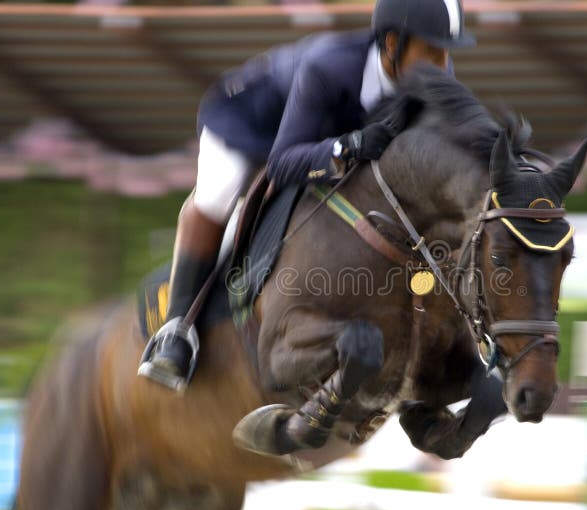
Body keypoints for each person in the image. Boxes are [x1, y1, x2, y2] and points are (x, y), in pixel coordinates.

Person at [138, 0, 476, 392]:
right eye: (431, 49)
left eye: (446, 51)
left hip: (312, 135)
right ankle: (177, 330)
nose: (442, 63)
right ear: (391, 43)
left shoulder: (432, 76)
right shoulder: (329, 67)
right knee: (220, 193)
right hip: (249, 123)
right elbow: (282, 163)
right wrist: (345, 147)